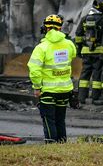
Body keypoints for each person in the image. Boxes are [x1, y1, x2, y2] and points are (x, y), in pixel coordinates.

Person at [27, 15, 78, 143]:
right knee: (60, 119)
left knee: (49, 120)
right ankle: (61, 143)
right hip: (65, 90)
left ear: (45, 28)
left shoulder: (41, 48)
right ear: (60, 28)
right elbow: (73, 55)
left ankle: (51, 144)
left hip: (48, 91)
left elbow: (34, 70)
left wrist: (37, 87)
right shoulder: (69, 44)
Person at [75, 0, 103, 104]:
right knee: (96, 75)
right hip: (98, 52)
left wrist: (79, 49)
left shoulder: (84, 18)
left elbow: (78, 35)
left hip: (86, 52)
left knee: (84, 74)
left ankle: (81, 97)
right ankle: (95, 97)